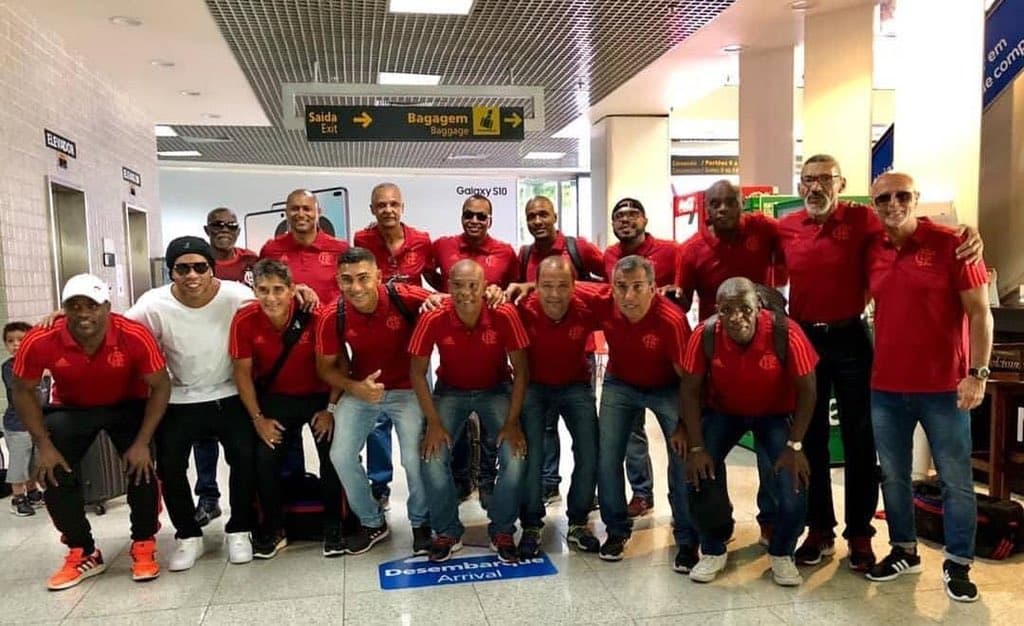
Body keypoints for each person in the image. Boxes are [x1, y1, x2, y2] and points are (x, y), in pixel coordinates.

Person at [777, 155, 984, 570]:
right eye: (807, 179)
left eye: (824, 179)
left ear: (841, 184)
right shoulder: (784, 227)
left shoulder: (865, 221)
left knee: (860, 442)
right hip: (804, 340)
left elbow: (911, 226)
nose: (815, 187)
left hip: (852, 339)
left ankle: (859, 534)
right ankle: (819, 529)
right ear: (800, 185)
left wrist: (972, 232)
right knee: (810, 438)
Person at [862, 172, 992, 603]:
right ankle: (904, 549)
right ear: (874, 204)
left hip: (944, 388)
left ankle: (958, 562)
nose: (893, 204)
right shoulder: (873, 248)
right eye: (883, 198)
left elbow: (980, 314)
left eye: (902, 196)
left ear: (916, 199)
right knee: (894, 475)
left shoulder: (952, 243)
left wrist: (978, 373)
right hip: (886, 388)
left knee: (955, 480)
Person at [11, 274, 170, 590]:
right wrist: (42, 444)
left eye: (92, 306)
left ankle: (143, 542)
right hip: (73, 408)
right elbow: (22, 390)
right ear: (63, 309)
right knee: (50, 470)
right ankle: (82, 550)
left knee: (143, 466)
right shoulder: (41, 338)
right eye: (75, 306)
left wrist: (142, 442)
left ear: (107, 307)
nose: (84, 313)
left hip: (129, 403)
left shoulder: (132, 334)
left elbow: (160, 385)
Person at [671, 277, 817, 586]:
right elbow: (690, 390)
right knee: (697, 474)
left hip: (773, 415)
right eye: (727, 310)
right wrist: (696, 448)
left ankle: (782, 552)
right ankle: (713, 546)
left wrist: (795, 445)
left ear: (759, 307)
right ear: (717, 311)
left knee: (793, 481)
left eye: (745, 309)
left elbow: (808, 391)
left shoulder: (786, 332)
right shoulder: (706, 334)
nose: (737, 317)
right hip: (725, 412)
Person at [128, 237, 261, 571]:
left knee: (244, 459)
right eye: (182, 268)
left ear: (211, 269)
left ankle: (239, 529)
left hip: (229, 393)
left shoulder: (236, 295)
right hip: (181, 397)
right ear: (171, 271)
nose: (192, 275)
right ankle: (188, 535)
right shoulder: (153, 304)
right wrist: (65, 316)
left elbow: (275, 304)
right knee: (170, 467)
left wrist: (303, 291)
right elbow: (121, 329)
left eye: (200, 267)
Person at [573, 256, 695, 569]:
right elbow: (562, 285)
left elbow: (689, 379)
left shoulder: (671, 319)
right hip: (620, 382)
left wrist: (684, 424)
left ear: (653, 288)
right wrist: (526, 286)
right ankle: (616, 530)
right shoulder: (605, 301)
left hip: (667, 387)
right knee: (607, 456)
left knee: (681, 456)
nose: (628, 296)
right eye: (621, 287)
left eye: (637, 287)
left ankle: (686, 536)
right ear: (611, 287)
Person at [410, 259, 529, 563]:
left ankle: (502, 529)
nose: (465, 292)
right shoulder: (434, 315)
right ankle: (447, 530)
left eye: (473, 285)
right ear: (448, 287)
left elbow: (522, 370)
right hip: (451, 390)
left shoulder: (503, 312)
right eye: (458, 286)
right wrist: (434, 423)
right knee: (432, 456)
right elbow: (416, 372)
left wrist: (513, 423)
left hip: (496, 388)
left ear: (484, 285)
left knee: (514, 457)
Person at [318, 247, 435, 556]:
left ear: (379, 277)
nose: (355, 287)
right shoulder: (334, 314)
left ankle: (422, 523)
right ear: (338, 281)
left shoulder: (405, 296)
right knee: (341, 454)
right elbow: (325, 367)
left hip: (409, 389)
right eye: (346, 280)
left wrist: (439, 302)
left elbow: (450, 304)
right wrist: (354, 387)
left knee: (413, 457)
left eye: (363, 278)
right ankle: (372, 521)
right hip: (363, 389)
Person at [229, 259, 345, 558]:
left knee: (333, 453)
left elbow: (341, 364)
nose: (271, 298)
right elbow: (241, 373)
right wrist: (258, 419)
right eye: (263, 290)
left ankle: (334, 525)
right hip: (276, 400)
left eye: (278, 290)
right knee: (265, 457)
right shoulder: (244, 319)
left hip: (319, 397)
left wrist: (331, 409)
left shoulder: (315, 316)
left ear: (293, 289)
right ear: (253, 289)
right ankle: (274, 526)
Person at [353, 182, 436, 509]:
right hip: (375, 333)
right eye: (381, 205)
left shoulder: (421, 240)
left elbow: (434, 277)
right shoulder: (363, 240)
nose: (388, 210)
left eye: (393, 204)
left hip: (414, 335)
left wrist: (452, 300)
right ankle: (380, 483)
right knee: (377, 418)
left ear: (402, 207)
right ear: (372, 210)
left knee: (419, 410)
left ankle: (424, 480)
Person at [430, 193, 519, 502]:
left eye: (482, 216)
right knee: (460, 426)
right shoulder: (443, 245)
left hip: (492, 353)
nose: (475, 220)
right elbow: (429, 273)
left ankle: (486, 479)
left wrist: (501, 292)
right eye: (469, 214)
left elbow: (514, 289)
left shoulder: (506, 252)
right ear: (461, 216)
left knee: (491, 428)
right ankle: (461, 479)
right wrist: (440, 294)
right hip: (454, 342)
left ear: (490, 220)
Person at [515, 256, 601, 557]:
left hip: (576, 385)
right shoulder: (523, 307)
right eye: (547, 286)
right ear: (535, 286)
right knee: (533, 454)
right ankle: (531, 524)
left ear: (574, 287)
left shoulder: (586, 306)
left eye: (562, 286)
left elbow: (614, 293)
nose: (554, 294)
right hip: (535, 387)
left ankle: (578, 521)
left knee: (590, 451)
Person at [603, 197, 681, 519]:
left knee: (681, 447)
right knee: (628, 441)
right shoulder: (608, 255)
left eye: (633, 214)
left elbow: (683, 290)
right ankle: (641, 494)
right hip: (623, 372)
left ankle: (685, 522)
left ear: (645, 219)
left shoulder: (671, 251)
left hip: (666, 373)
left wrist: (672, 293)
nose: (625, 220)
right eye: (619, 216)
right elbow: (598, 292)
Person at [190, 207, 258, 528]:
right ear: (207, 228)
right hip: (206, 355)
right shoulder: (198, 263)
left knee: (240, 438)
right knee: (203, 435)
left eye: (231, 225)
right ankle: (208, 497)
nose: (224, 229)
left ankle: (246, 500)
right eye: (217, 225)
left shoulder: (250, 262)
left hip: (244, 359)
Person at [260, 188, 349, 302]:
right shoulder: (270, 250)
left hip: (330, 319)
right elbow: (262, 290)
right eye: (295, 209)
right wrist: (291, 291)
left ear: (318, 212)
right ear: (286, 212)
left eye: (307, 209)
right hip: (288, 319)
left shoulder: (341, 249)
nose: (301, 214)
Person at [3, 322, 46, 516]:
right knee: (19, 462)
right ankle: (18, 498)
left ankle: (33, 492)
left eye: (21, 340)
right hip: (17, 424)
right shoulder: (9, 367)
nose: (16, 344)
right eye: (10, 341)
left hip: (37, 423)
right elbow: (18, 388)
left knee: (34, 462)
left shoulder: (40, 364)